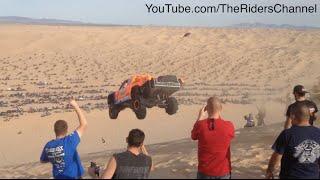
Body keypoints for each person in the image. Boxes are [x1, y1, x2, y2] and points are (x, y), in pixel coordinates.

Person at [266, 104, 320, 179]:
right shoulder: (318, 132)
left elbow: (277, 156)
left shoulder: (287, 134)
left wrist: (270, 171)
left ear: (293, 116)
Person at [40, 100, 88, 179]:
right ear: (66, 130)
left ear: (55, 130)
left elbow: (42, 160)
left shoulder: (48, 146)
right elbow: (84, 124)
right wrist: (76, 106)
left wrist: (55, 157)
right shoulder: (69, 141)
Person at [191, 96, 235, 179]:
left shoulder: (200, 125)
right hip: (223, 172)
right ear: (221, 108)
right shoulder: (229, 126)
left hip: (204, 172)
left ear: (206, 109)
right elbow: (231, 135)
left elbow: (193, 136)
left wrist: (200, 117)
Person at [88, 129, 154, 179]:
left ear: (127, 140)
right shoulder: (148, 160)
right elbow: (151, 167)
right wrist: (141, 145)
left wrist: (93, 175)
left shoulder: (117, 158)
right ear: (142, 143)